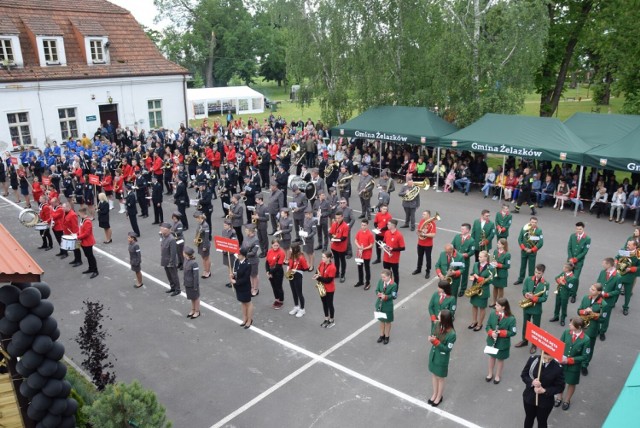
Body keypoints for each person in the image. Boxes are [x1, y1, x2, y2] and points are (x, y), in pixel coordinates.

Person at [520, 352, 565, 428]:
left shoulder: (558, 368)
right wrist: (532, 382)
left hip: (545, 401)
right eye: (544, 358)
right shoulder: (533, 360)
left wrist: (545, 390)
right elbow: (524, 375)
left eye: (550, 358)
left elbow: (560, 387)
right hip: (529, 397)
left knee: (542, 421)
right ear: (542, 352)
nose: (547, 360)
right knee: (529, 418)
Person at [555, 318, 590, 411]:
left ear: (578, 327)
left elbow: (585, 356)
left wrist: (569, 360)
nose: (569, 325)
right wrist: (558, 356)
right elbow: (560, 344)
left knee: (571, 383)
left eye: (571, 324)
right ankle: (559, 397)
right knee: (560, 381)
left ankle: (567, 400)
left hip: (574, 365)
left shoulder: (586, 339)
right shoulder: (566, 332)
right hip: (561, 363)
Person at [515, 264, 549, 354]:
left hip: (536, 308)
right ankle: (524, 340)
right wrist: (526, 294)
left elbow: (544, 298)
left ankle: (534, 345)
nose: (537, 274)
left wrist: (534, 298)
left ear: (543, 273)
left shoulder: (546, 284)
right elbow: (524, 290)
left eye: (539, 273)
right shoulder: (528, 279)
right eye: (536, 272)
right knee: (525, 324)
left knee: (535, 327)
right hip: (527, 306)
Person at [428, 309, 456, 407]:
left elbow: (447, 349)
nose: (437, 317)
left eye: (439, 316)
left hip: (442, 358)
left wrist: (435, 341)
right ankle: (434, 393)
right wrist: (431, 338)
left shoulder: (452, 334)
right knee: (434, 375)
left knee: (440, 377)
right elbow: (433, 333)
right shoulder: (437, 324)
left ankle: (439, 396)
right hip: (434, 354)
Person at [485, 298, 516, 384]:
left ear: (503, 307)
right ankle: (490, 373)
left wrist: (500, 333)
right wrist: (491, 333)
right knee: (491, 357)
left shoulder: (511, 318)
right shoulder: (492, 314)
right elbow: (487, 326)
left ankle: (498, 375)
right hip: (492, 341)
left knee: (500, 359)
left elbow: (513, 332)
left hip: (502, 343)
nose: (495, 306)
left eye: (497, 305)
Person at [577, 283, 606, 376]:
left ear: (599, 292)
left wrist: (592, 314)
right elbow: (579, 310)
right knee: (579, 344)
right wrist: (584, 311)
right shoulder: (586, 298)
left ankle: (584, 365)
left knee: (588, 348)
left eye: (593, 290)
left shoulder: (603, 304)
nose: (590, 290)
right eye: (591, 288)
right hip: (582, 325)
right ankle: (577, 360)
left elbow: (603, 319)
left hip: (592, 328)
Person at [467, 250, 494, 331]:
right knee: (474, 305)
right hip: (475, 288)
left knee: (482, 307)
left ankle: (480, 323)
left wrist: (479, 278)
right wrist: (472, 277)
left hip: (483, 290)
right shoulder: (476, 264)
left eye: (481, 257)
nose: (479, 258)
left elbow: (491, 280)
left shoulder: (491, 267)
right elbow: (472, 273)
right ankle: (474, 321)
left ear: (486, 258)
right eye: (479, 256)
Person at [596, 257, 622, 341]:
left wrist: (607, 294)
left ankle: (602, 331)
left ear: (608, 264)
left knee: (605, 316)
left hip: (608, 301)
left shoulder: (617, 277)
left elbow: (617, 291)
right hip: (599, 298)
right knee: (596, 313)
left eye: (603, 263)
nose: (602, 264)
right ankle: (596, 329)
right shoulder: (602, 272)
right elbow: (598, 282)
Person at [514, 217, 543, 285]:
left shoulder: (539, 231)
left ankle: (531, 280)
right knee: (522, 266)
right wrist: (524, 248)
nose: (533, 224)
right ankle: (520, 279)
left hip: (532, 252)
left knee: (531, 267)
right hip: (524, 250)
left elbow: (540, 243)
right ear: (529, 222)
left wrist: (532, 249)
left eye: (535, 222)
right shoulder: (524, 228)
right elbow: (519, 239)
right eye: (532, 222)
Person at [566, 222, 590, 303]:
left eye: (580, 229)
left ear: (583, 229)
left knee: (575, 278)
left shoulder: (587, 238)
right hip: (570, 261)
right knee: (568, 276)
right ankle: (568, 291)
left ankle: (573, 294)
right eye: (577, 229)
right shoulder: (572, 236)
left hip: (578, 263)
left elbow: (584, 252)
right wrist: (570, 258)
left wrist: (575, 259)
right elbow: (569, 247)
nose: (578, 230)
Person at [231, 248, 254, 329]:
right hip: (238, 286)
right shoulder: (237, 261)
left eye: (239, 254)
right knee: (242, 302)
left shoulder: (248, 264)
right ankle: (244, 318)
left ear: (243, 255)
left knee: (248, 303)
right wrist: (233, 276)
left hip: (245, 286)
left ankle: (249, 320)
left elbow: (246, 278)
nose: (237, 255)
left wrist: (236, 282)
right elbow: (235, 271)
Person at [314, 251, 337, 328]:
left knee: (329, 304)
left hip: (329, 289)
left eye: (324, 257)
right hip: (321, 286)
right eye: (322, 257)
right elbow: (317, 271)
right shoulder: (322, 263)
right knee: (324, 303)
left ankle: (332, 320)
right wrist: (317, 274)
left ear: (329, 258)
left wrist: (319, 277)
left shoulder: (332, 267)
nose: (322, 258)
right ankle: (326, 318)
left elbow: (328, 280)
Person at [375, 269, 398, 344]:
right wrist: (378, 293)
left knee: (387, 322)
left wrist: (386, 297)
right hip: (380, 305)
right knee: (381, 321)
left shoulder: (394, 284)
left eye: (384, 277)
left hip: (387, 306)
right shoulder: (380, 281)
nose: (382, 279)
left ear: (389, 276)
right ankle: (381, 335)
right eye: (382, 277)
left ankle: (387, 336)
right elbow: (377, 290)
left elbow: (394, 296)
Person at [452, 223, 475, 297]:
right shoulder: (457, 237)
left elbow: (472, 251)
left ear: (468, 230)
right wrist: (454, 251)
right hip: (456, 260)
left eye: (463, 229)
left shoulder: (471, 240)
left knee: (464, 275)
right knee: (455, 272)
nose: (461, 230)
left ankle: (462, 289)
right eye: (461, 228)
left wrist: (465, 254)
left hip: (464, 261)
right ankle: (454, 286)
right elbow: (452, 245)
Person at [382, 219, 405, 292]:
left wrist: (393, 249)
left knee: (395, 275)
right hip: (386, 258)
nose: (387, 225)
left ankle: (395, 290)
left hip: (394, 259)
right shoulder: (386, 233)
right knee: (387, 274)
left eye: (388, 224)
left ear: (393, 225)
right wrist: (383, 245)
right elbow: (384, 242)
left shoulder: (399, 235)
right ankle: (387, 288)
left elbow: (403, 247)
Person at [287, 243, 309, 317]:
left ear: (295, 250)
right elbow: (289, 264)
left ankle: (302, 309)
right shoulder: (291, 256)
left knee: (299, 293)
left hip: (298, 276)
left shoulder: (301, 258)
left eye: (291, 249)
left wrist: (297, 269)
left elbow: (306, 268)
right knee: (294, 292)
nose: (290, 250)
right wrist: (289, 268)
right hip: (291, 274)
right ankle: (296, 307)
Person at [413, 210, 437, 279]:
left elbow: (433, 234)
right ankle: (418, 269)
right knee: (420, 256)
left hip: (428, 244)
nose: (422, 215)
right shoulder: (421, 221)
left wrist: (424, 234)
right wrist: (418, 232)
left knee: (428, 258)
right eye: (422, 214)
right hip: (420, 242)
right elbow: (418, 230)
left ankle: (428, 271)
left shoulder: (432, 223)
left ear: (428, 215)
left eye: (424, 214)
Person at [618, 239, 639, 316]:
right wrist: (616, 262)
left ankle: (625, 307)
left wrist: (631, 269)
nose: (627, 246)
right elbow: (617, 257)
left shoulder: (638, 253)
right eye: (627, 244)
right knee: (617, 290)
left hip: (629, 276)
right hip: (620, 274)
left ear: (635, 246)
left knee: (627, 293)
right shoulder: (623, 250)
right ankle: (613, 302)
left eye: (629, 245)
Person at [160, 222, 181, 296]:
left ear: (168, 230)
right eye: (161, 229)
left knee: (174, 275)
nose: (161, 230)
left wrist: (171, 262)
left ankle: (177, 289)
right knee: (169, 275)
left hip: (170, 261)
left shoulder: (171, 239)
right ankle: (172, 287)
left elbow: (173, 252)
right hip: (165, 259)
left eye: (163, 229)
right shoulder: (164, 236)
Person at [77, 207, 99, 278]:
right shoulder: (82, 220)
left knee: (90, 256)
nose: (78, 215)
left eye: (79, 214)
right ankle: (90, 268)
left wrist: (78, 237)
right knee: (87, 255)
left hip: (88, 242)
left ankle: (95, 270)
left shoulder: (87, 221)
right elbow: (80, 229)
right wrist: (77, 234)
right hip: (83, 241)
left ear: (83, 213)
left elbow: (87, 233)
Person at [329, 211, 349, 283]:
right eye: (336, 218)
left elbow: (344, 237)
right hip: (334, 246)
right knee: (336, 260)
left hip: (341, 247)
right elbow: (330, 233)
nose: (337, 219)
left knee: (342, 261)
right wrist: (331, 238)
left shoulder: (345, 226)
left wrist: (336, 239)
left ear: (342, 217)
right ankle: (337, 273)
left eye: (339, 218)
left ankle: (343, 275)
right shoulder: (334, 224)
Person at [354, 218, 375, 289]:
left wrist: (364, 248)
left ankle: (368, 282)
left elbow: (371, 245)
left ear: (367, 225)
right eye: (362, 225)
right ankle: (360, 281)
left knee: (366, 268)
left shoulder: (370, 234)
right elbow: (356, 240)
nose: (363, 227)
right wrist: (359, 247)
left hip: (366, 254)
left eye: (364, 225)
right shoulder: (359, 232)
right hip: (359, 254)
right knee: (359, 267)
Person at [241, 224, 261, 296]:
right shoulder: (246, 237)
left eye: (246, 230)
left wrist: (244, 254)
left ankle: (256, 289)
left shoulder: (256, 240)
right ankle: (251, 287)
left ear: (250, 231)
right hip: (247, 259)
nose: (245, 231)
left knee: (254, 275)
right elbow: (243, 246)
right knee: (249, 275)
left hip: (253, 261)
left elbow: (253, 252)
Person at [490, 238, 510, 307]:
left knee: (500, 289)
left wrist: (498, 265)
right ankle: (494, 301)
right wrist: (492, 263)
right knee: (495, 287)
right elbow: (494, 259)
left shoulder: (507, 254)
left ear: (503, 245)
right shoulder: (496, 251)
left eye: (499, 243)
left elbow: (507, 266)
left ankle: (499, 303)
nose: (497, 244)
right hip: (495, 272)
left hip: (502, 274)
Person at [266, 239, 286, 309]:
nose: (276, 247)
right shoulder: (269, 251)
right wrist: (267, 271)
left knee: (279, 287)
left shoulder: (281, 253)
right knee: (274, 287)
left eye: (277, 245)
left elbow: (278, 266)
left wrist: (270, 273)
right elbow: (267, 262)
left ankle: (281, 301)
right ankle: (276, 299)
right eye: (274, 245)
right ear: (272, 245)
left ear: (279, 245)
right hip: (271, 271)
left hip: (278, 272)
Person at [183, 246, 201, 319]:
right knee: (191, 297)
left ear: (186, 254)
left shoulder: (194, 263)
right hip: (187, 283)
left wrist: (195, 286)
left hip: (193, 284)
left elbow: (196, 276)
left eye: (184, 252)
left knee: (196, 297)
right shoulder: (186, 260)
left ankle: (197, 311)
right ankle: (193, 310)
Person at [62, 202, 83, 267]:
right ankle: (76, 259)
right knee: (73, 248)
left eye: (64, 207)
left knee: (76, 248)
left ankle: (79, 261)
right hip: (68, 233)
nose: (62, 208)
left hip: (73, 234)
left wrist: (75, 235)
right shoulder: (65, 213)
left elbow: (75, 226)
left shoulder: (72, 214)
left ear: (68, 207)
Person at [193, 211, 211, 278]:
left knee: (206, 258)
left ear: (200, 217)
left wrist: (205, 246)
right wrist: (195, 238)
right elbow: (197, 232)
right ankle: (205, 270)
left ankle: (208, 271)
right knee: (203, 258)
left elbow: (206, 237)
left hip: (204, 244)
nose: (196, 219)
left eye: (196, 218)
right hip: (200, 243)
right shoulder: (199, 224)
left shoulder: (205, 225)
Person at [221, 219, 238, 288]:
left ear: (229, 225)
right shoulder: (223, 231)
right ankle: (231, 280)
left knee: (232, 267)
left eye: (225, 225)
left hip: (230, 252)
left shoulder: (233, 232)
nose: (224, 226)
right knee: (229, 266)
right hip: (225, 251)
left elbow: (233, 242)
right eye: (224, 225)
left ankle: (233, 281)